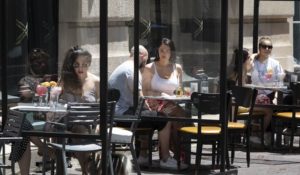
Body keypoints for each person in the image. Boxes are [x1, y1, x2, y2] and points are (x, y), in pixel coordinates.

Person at [108, 45, 168, 166]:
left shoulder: (123, 67)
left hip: (115, 115)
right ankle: (165, 158)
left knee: (148, 116)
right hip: (122, 116)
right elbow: (141, 99)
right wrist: (152, 108)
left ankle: (143, 156)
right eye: (146, 60)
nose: (146, 64)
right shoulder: (132, 70)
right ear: (142, 56)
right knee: (163, 118)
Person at [142, 38, 188, 169]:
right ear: (157, 50)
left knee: (177, 115)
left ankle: (172, 155)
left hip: (172, 104)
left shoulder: (177, 68)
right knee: (178, 116)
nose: (164, 53)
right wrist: (160, 95)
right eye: (161, 50)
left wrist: (180, 94)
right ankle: (173, 155)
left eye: (167, 50)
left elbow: (180, 90)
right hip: (154, 104)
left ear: (171, 52)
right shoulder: (150, 68)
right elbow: (145, 91)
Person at [58, 46, 100, 174]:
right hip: (65, 121)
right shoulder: (65, 81)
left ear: (89, 64)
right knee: (55, 129)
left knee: (79, 129)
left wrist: (98, 124)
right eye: (77, 65)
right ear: (71, 65)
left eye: (85, 65)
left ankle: (84, 170)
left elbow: (103, 106)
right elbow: (57, 103)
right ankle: (84, 167)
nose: (81, 68)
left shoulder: (96, 81)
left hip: (88, 124)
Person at [15, 48, 56, 175]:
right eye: (37, 62)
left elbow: (57, 98)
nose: (41, 65)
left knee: (23, 132)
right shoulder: (25, 80)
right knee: (23, 132)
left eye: (43, 62)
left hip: (47, 118)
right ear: (31, 64)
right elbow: (24, 93)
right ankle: (44, 148)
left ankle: (46, 150)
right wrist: (33, 92)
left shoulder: (51, 81)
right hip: (31, 118)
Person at [250, 36, 285, 145]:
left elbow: (280, 79)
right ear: (259, 48)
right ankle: (257, 136)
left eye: (270, 47)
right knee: (268, 110)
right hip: (253, 96)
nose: (267, 49)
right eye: (264, 46)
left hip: (269, 95)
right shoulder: (252, 62)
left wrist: (278, 84)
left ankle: (260, 135)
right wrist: (252, 56)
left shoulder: (275, 63)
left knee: (274, 107)